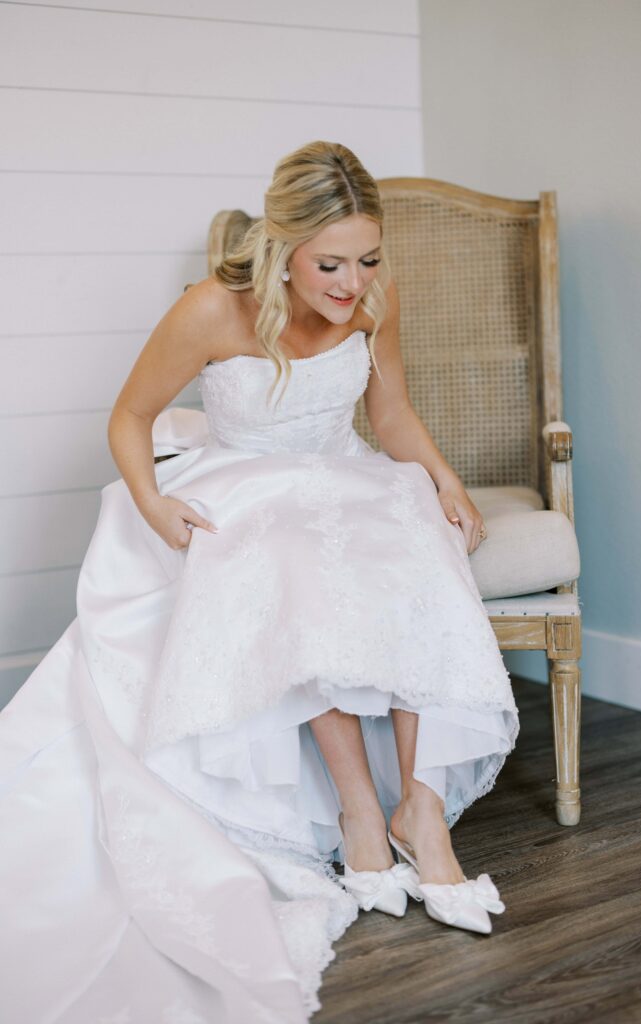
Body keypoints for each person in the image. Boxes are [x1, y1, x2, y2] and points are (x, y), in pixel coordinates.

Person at [0, 140, 519, 1023]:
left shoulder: (371, 300)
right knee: (290, 557)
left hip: (345, 471)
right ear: (282, 245)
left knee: (416, 540)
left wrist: (443, 478)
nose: (351, 283)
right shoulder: (211, 308)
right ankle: (360, 810)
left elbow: (387, 410)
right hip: (244, 479)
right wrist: (154, 502)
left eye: (367, 259)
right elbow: (128, 416)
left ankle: (419, 814)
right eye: (330, 264)